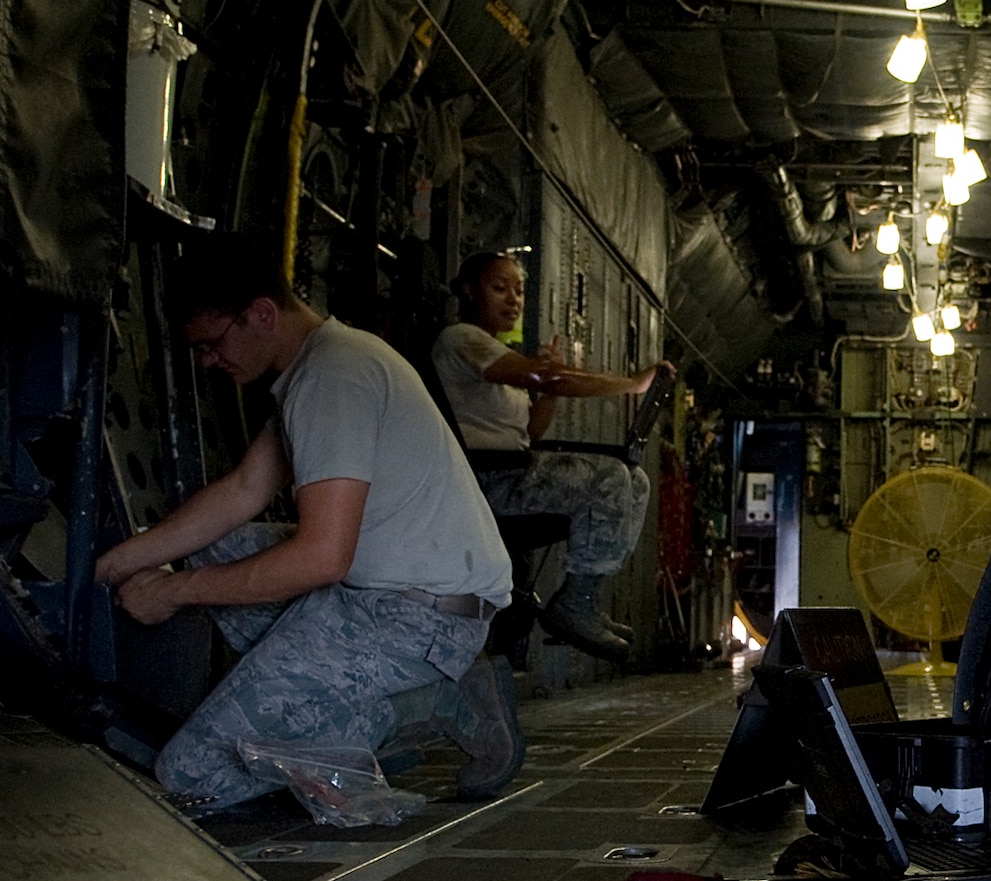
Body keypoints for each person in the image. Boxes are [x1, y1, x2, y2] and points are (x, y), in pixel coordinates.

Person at [94, 237, 525, 810]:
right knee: (218, 547)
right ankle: (319, 707)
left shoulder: (333, 378)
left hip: (416, 619)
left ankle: (435, 704)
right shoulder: (322, 363)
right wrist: (117, 564)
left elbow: (321, 558)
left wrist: (172, 591)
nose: (207, 362)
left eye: (212, 344)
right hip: (393, 591)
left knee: (191, 778)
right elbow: (241, 492)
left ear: (262, 314)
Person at [431, 250, 669, 663]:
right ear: (469, 292)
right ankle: (573, 607)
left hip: (511, 472)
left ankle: (584, 597)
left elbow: (532, 431)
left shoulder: (503, 360)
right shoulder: (461, 340)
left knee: (635, 479)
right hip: (480, 482)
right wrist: (631, 384)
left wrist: (549, 385)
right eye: (499, 288)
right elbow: (543, 377)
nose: (513, 300)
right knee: (610, 477)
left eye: (519, 291)